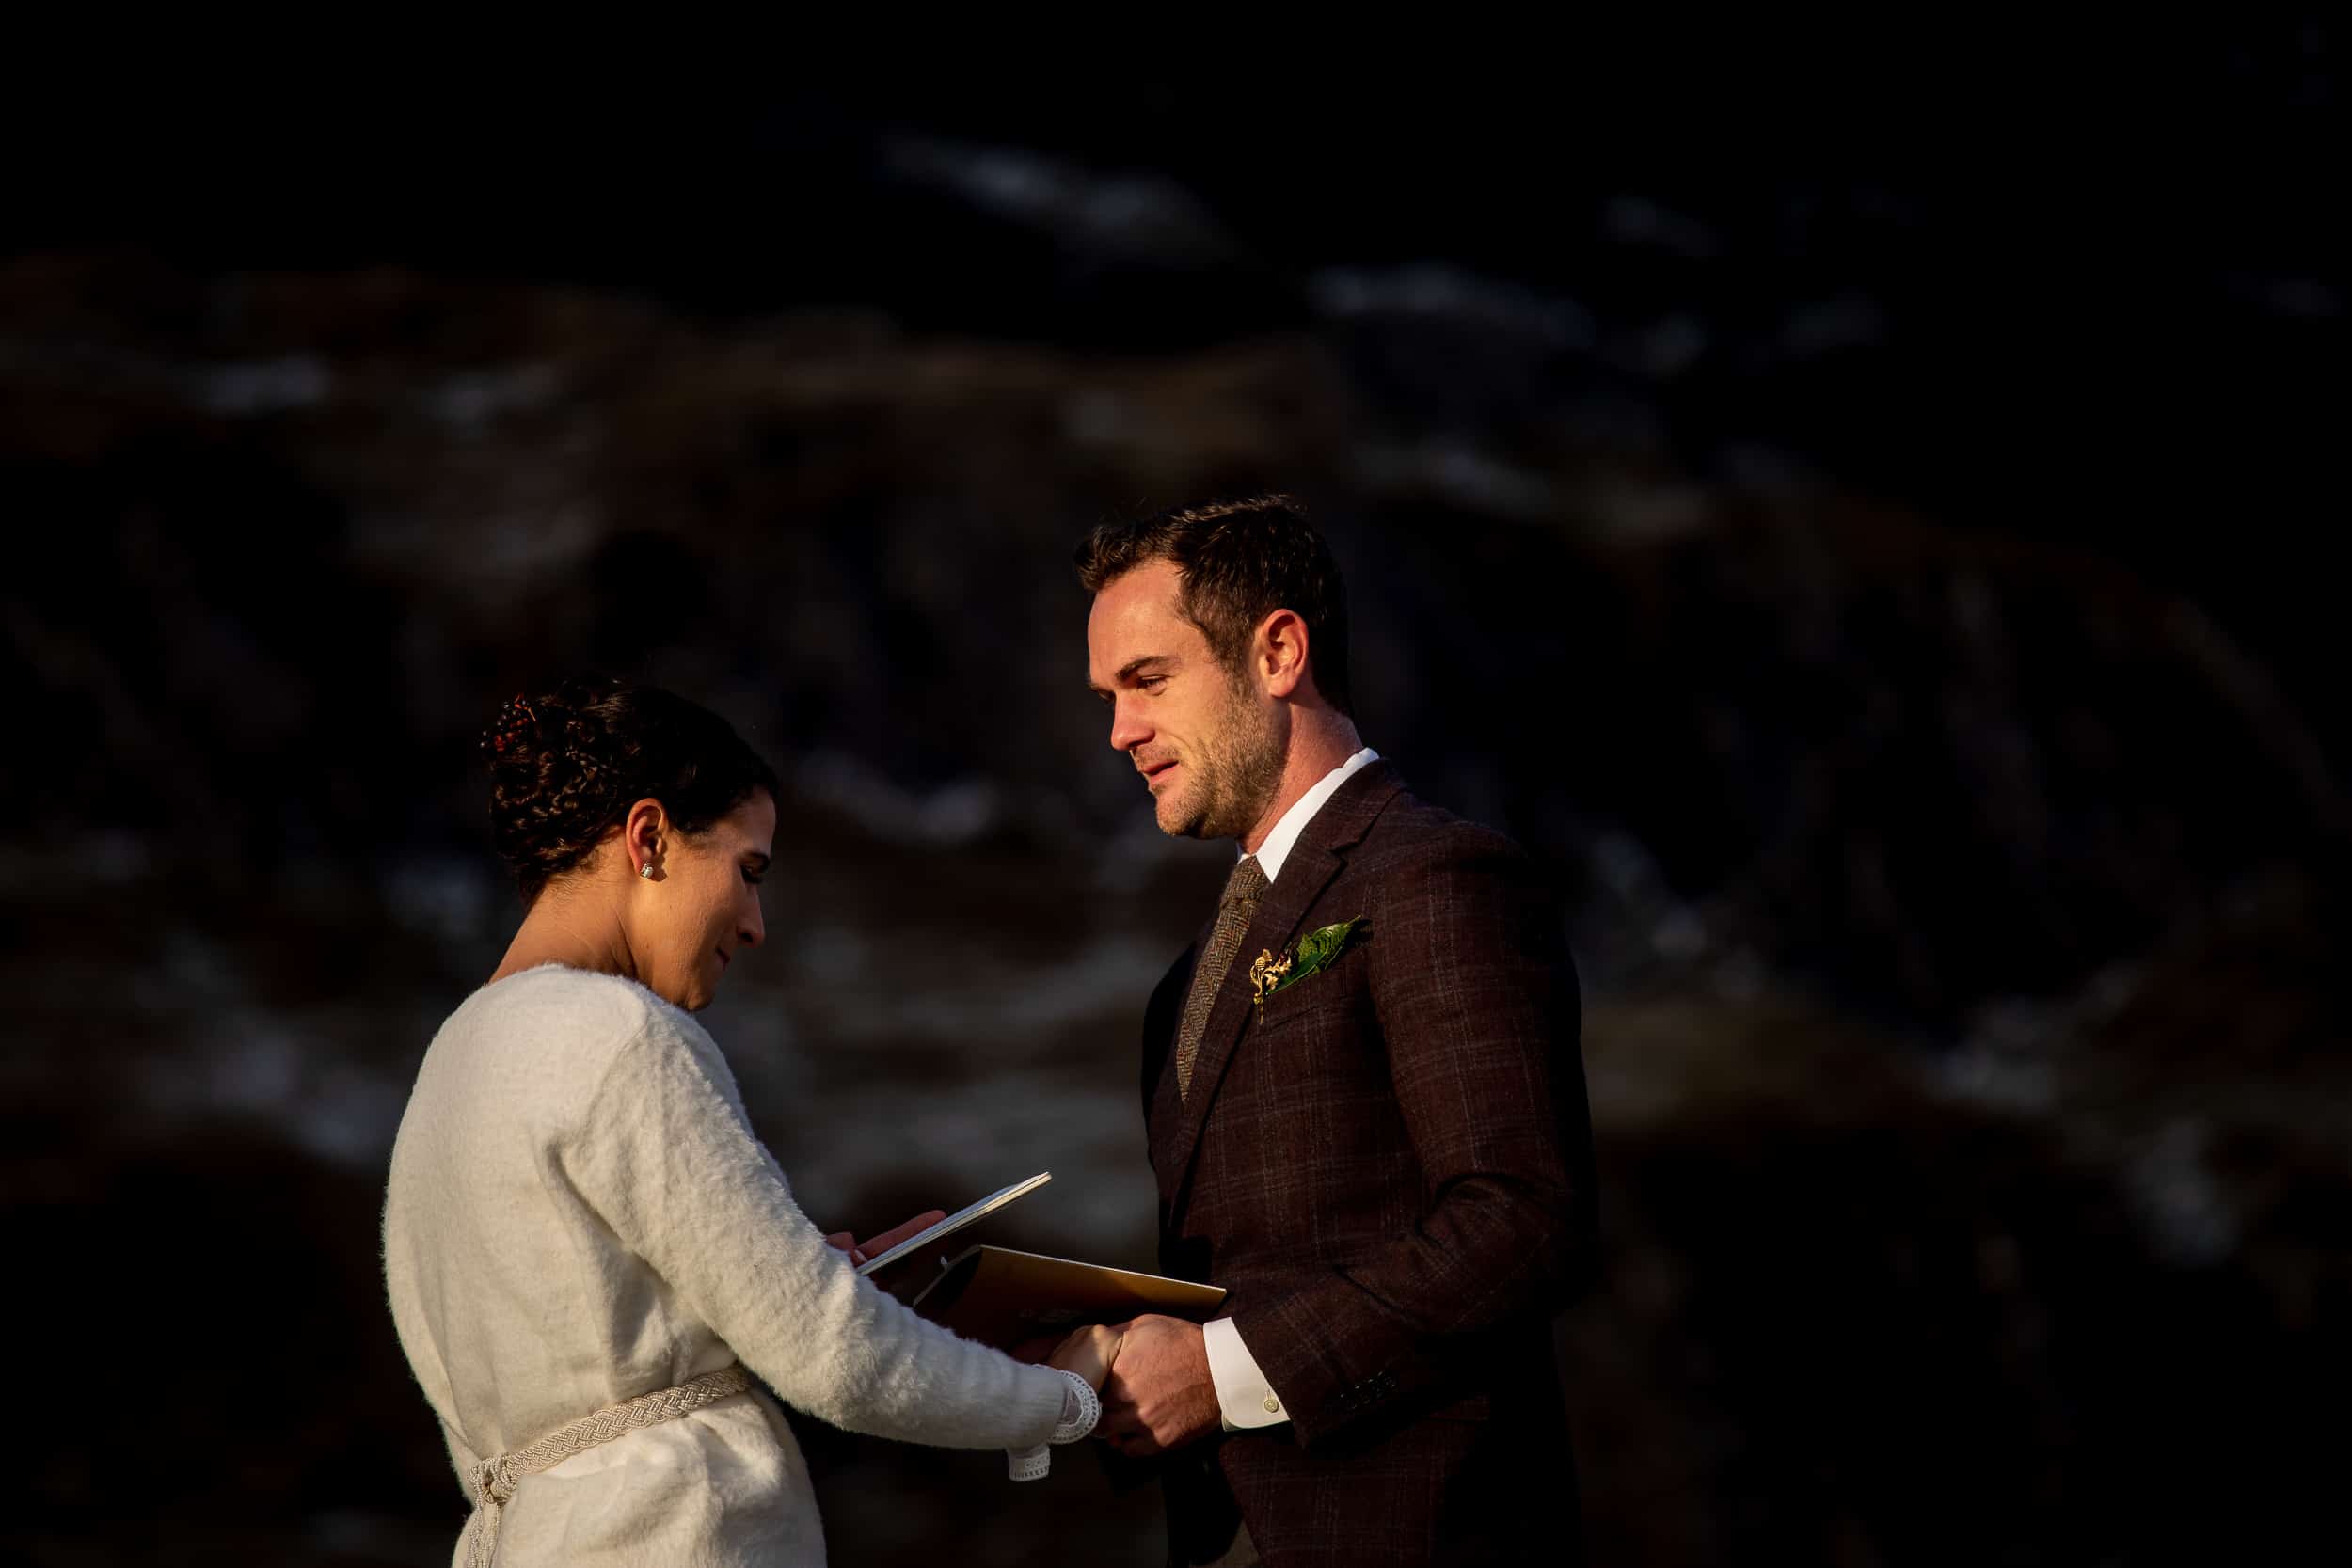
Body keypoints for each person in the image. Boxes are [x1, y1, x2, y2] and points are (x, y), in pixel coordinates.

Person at [382, 677, 1116, 1567]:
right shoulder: (624, 1035)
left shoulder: (448, 1066)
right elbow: (834, 1354)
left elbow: (575, 1351)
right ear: (649, 838)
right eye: (747, 871)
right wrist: (1056, 1397)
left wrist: (786, 1273)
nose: (756, 923)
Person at [1076, 497, 1597, 1567]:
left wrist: (1218, 1372)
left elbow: (1522, 1220)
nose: (1119, 731)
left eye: (1148, 679)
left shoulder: (1434, 875)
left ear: (1277, 651)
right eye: (1109, 695)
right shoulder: (1181, 982)